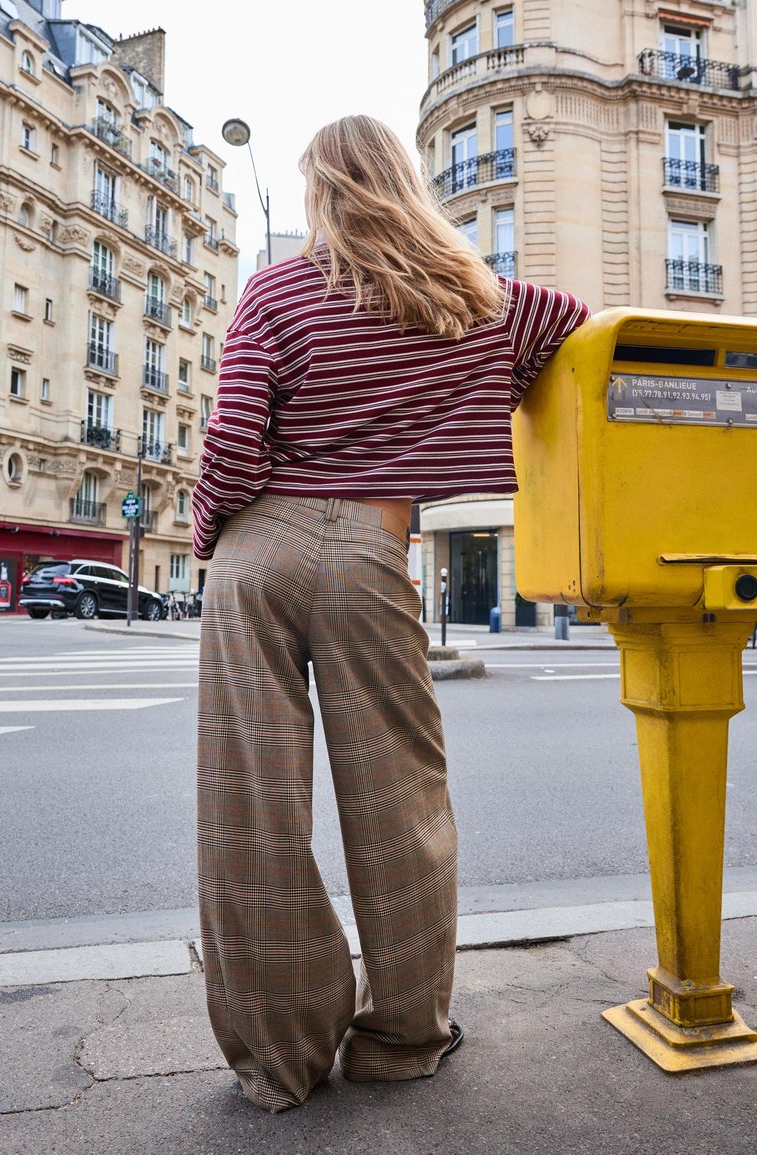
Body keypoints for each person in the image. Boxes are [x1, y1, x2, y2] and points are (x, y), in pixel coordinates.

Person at [193, 114, 590, 1114]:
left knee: (251, 813)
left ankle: (280, 1060)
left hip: (259, 548)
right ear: (404, 181)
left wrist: (213, 542)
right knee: (399, 804)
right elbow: (576, 330)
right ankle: (404, 1036)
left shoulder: (278, 291)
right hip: (372, 550)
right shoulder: (479, 299)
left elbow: (233, 448)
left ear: (323, 191)